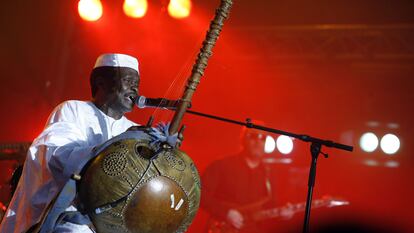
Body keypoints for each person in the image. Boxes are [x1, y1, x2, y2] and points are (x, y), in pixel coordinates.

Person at [0, 53, 141, 233]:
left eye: (137, 83)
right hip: (67, 221)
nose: (135, 88)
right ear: (100, 82)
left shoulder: (134, 130)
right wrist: (115, 146)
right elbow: (59, 157)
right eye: (128, 81)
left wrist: (161, 154)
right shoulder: (73, 110)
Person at [201, 123, 275, 233]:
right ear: (243, 139)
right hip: (221, 228)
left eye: (263, 138)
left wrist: (284, 214)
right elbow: (199, 193)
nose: (258, 142)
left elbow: (271, 205)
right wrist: (226, 212)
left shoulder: (268, 173)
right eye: (253, 136)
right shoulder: (221, 165)